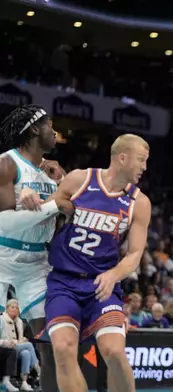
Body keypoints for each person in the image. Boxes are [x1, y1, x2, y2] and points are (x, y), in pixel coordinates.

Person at [23, 133, 152, 392]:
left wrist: (114, 275)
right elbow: (46, 211)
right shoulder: (80, 180)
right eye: (141, 160)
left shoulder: (140, 203)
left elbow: (135, 254)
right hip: (63, 282)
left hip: (102, 286)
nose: (144, 167)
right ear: (122, 158)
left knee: (114, 352)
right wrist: (31, 193)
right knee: (62, 348)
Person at [0, 105, 65, 392]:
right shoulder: (7, 163)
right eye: (51, 125)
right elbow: (4, 222)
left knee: (52, 344)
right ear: (35, 128)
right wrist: (51, 205)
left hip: (38, 261)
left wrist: (61, 184)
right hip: (3, 256)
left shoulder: (50, 172)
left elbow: (66, 215)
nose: (56, 132)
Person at [0, 299, 40, 391]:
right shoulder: (1, 319)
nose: (14, 309)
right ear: (7, 308)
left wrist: (22, 340)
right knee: (29, 345)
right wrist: (6, 342)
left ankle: (24, 382)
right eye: (12, 307)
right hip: (4, 346)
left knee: (26, 353)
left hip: (16, 347)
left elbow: (19, 339)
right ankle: (39, 371)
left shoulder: (20, 322)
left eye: (17, 308)